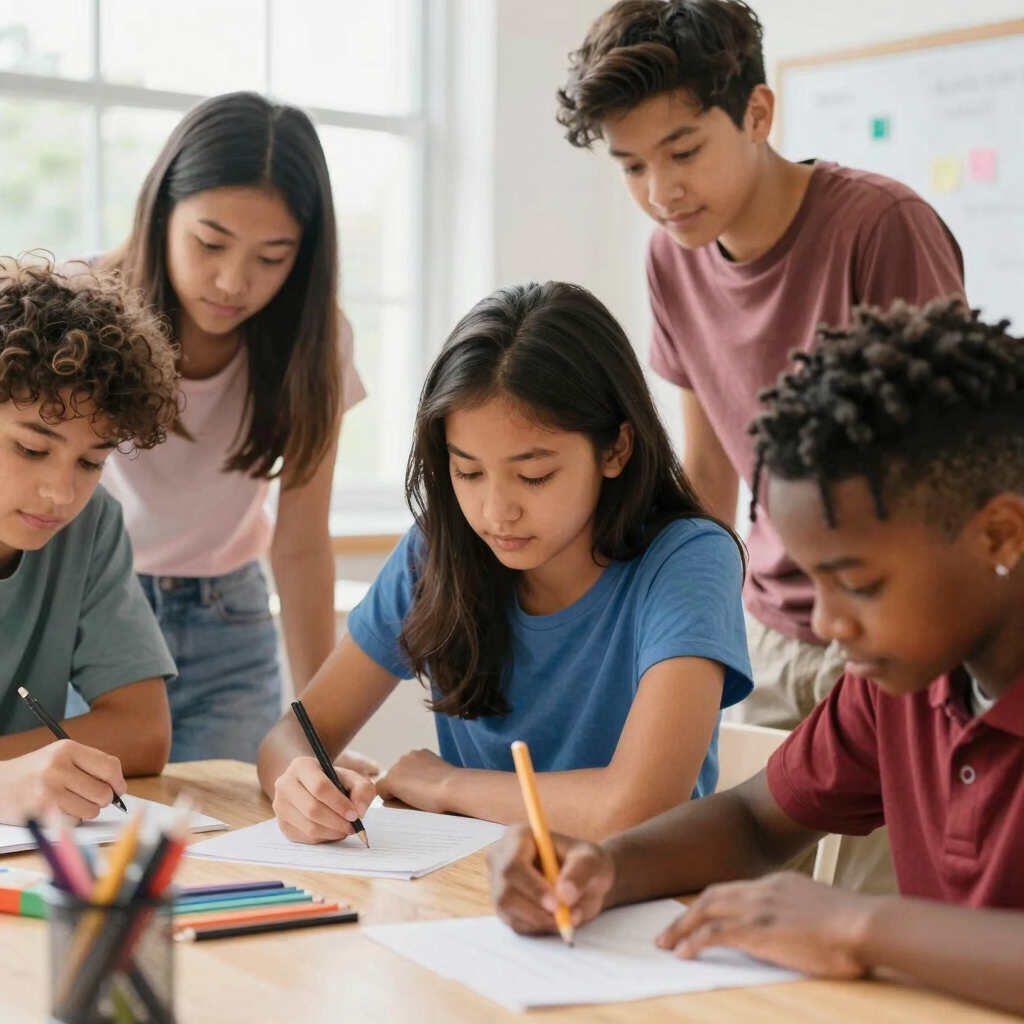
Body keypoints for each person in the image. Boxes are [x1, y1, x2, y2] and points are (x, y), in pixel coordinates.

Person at [489, 298, 1024, 1016]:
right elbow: (754, 821)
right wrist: (605, 867)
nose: (829, 623)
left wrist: (862, 925)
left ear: (999, 536)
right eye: (812, 579)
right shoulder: (901, 679)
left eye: (859, 584)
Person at [556, 0, 966, 890]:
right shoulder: (671, 260)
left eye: (683, 151)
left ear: (758, 114)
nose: (661, 191)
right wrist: (672, 641)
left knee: (869, 919)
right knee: (726, 896)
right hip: (770, 625)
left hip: (893, 631)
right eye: (631, 166)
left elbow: (948, 477)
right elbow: (706, 479)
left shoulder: (880, 229)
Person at [257, 281, 754, 843]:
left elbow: (636, 807)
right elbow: (289, 738)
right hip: (472, 896)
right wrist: (301, 783)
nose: (496, 512)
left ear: (615, 449)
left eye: (534, 475)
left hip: (637, 906)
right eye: (468, 472)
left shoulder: (688, 559)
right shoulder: (435, 550)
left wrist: (447, 785)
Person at [93, 92, 372, 768]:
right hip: (93, 612)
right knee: (86, 844)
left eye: (272, 257)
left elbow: (302, 547)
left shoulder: (317, 341)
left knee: (231, 843)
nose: (231, 281)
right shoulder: (85, 307)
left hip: (231, 623)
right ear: (162, 212)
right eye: (210, 242)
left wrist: (318, 734)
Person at [0, 258, 178, 825]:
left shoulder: (90, 524)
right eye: (31, 449)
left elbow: (143, 731)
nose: (59, 493)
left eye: (90, 461)